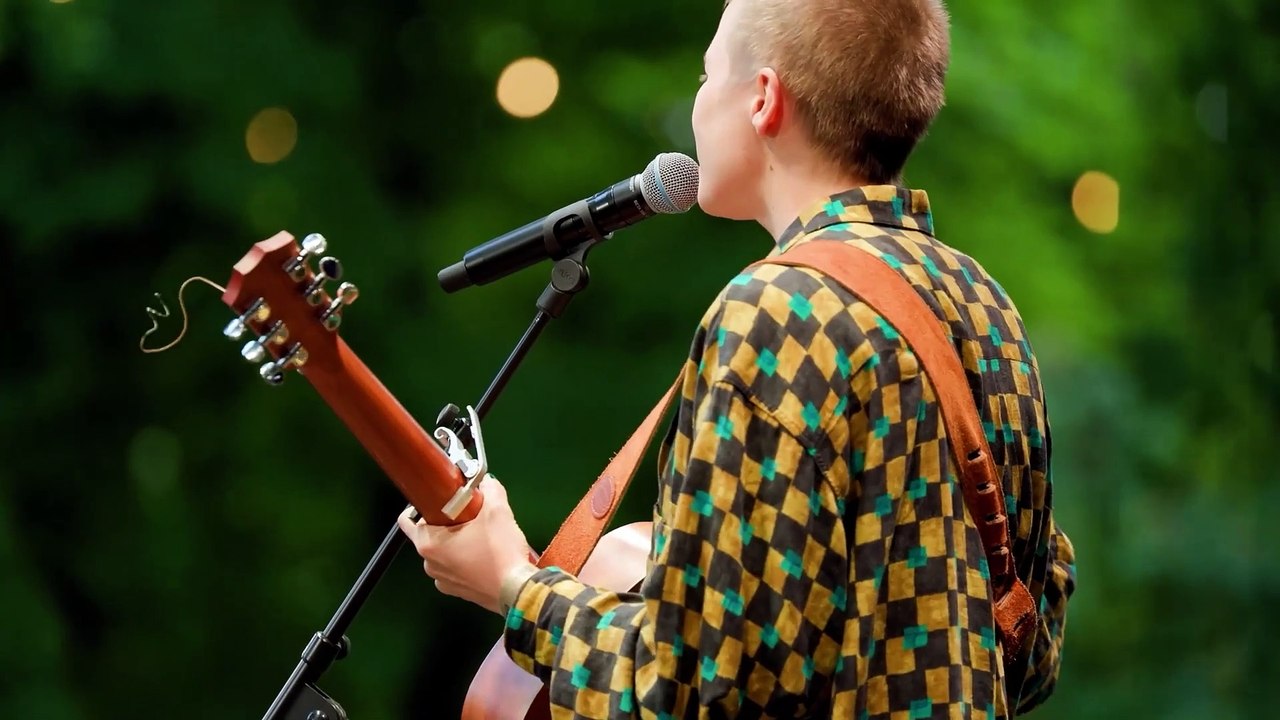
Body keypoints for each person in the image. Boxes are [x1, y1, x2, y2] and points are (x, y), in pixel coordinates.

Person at [398, 0, 1076, 717]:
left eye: (705, 74)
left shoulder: (775, 311)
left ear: (761, 98)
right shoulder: (982, 302)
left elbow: (699, 692)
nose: (696, 103)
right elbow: (1028, 650)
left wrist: (511, 582)